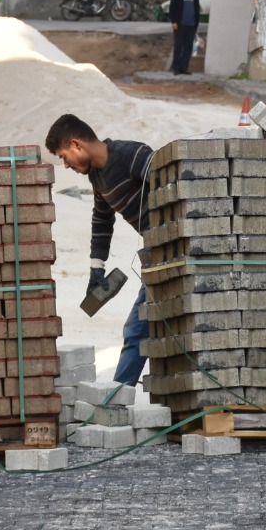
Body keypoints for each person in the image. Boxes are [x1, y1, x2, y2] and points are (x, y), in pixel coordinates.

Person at [45, 113, 156, 387]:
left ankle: (115, 401)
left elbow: (175, 185)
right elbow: (102, 221)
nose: (66, 165)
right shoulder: (97, 178)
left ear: (76, 145)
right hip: (157, 254)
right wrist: (96, 270)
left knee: (138, 328)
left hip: (179, 254)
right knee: (138, 330)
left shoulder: (131, 154)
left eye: (64, 156)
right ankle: (115, 402)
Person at [168, 0, 201, 75]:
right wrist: (174, 21)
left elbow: (197, 8)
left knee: (188, 47)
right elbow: (172, 7)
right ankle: (176, 68)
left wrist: (196, 23)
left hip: (191, 25)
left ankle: (184, 68)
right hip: (180, 24)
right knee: (178, 45)